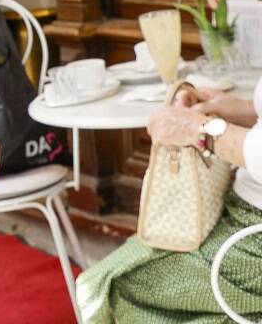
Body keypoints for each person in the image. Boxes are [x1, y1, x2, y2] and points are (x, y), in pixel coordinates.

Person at [78, 83, 262, 322]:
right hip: (242, 212)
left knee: (114, 284)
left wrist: (199, 130)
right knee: (131, 258)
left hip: (252, 235)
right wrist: (244, 109)